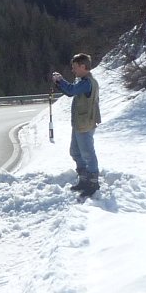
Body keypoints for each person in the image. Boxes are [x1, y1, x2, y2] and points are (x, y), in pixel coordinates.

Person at [51, 53, 102, 196]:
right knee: (75, 151)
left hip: (85, 124)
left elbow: (71, 90)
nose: (73, 70)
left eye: (75, 67)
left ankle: (93, 183)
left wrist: (60, 80)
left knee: (87, 153)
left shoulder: (87, 83)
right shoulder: (86, 81)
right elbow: (71, 91)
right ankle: (84, 179)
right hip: (81, 123)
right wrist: (59, 83)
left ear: (83, 66)